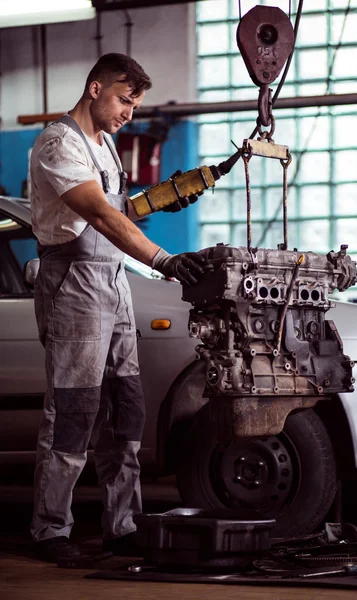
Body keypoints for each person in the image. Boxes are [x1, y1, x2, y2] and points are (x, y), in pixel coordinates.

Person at [29, 53, 204, 563]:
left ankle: (122, 525)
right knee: (74, 411)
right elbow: (100, 215)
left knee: (125, 409)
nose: (130, 112)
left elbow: (121, 208)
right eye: (125, 99)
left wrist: (164, 196)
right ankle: (51, 530)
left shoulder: (105, 146)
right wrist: (163, 258)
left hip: (113, 282)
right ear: (94, 87)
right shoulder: (59, 143)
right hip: (75, 284)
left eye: (136, 104)